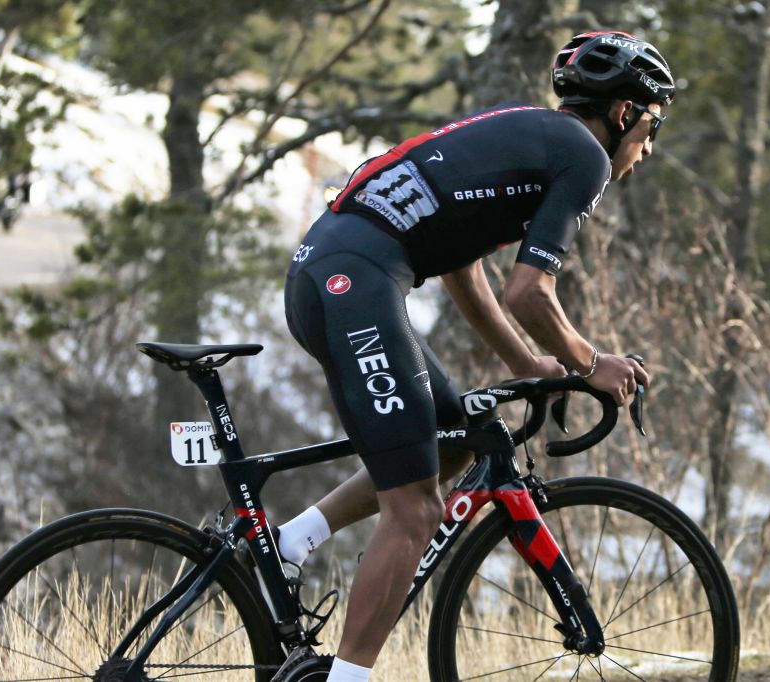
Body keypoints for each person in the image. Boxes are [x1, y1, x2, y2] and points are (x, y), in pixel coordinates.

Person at [277, 31, 675, 682]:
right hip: (353, 283)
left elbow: (465, 266)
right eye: (652, 125)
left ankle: (293, 541)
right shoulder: (585, 157)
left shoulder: (534, 136)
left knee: (455, 441)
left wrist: (527, 362)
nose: (648, 148)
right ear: (625, 113)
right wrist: (587, 362)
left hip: (336, 275)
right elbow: (530, 290)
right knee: (416, 509)